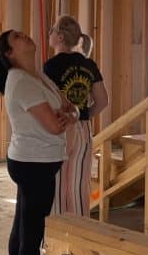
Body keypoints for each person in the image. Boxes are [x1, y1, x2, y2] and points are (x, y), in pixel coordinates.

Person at [0, 29, 77, 255]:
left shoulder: (39, 76)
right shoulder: (23, 81)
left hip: (34, 162)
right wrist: (66, 117)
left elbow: (66, 107)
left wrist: (66, 114)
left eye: (26, 34)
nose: (27, 36)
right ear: (10, 53)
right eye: (18, 37)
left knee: (22, 225)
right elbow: (56, 124)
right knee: (31, 234)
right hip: (33, 165)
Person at [44, 16, 109, 217]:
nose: (50, 34)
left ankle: (55, 238)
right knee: (79, 185)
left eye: (52, 30)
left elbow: (46, 102)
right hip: (83, 130)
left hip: (59, 128)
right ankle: (80, 239)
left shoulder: (51, 66)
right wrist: (83, 115)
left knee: (56, 185)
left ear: (60, 37)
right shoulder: (89, 64)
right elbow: (103, 101)